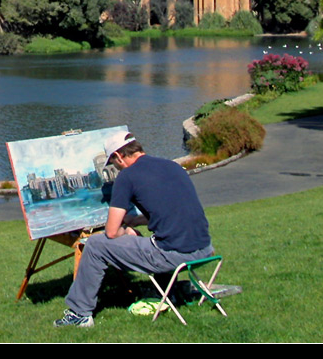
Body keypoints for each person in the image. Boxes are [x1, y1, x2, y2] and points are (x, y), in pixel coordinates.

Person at [54, 132, 213, 328]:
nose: (117, 168)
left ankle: (79, 314)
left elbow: (112, 232)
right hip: (205, 250)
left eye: (114, 163)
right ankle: (165, 292)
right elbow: (171, 211)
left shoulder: (127, 177)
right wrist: (136, 221)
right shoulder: (172, 166)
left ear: (119, 156)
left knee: (95, 245)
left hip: (175, 256)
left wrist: (126, 231)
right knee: (158, 238)